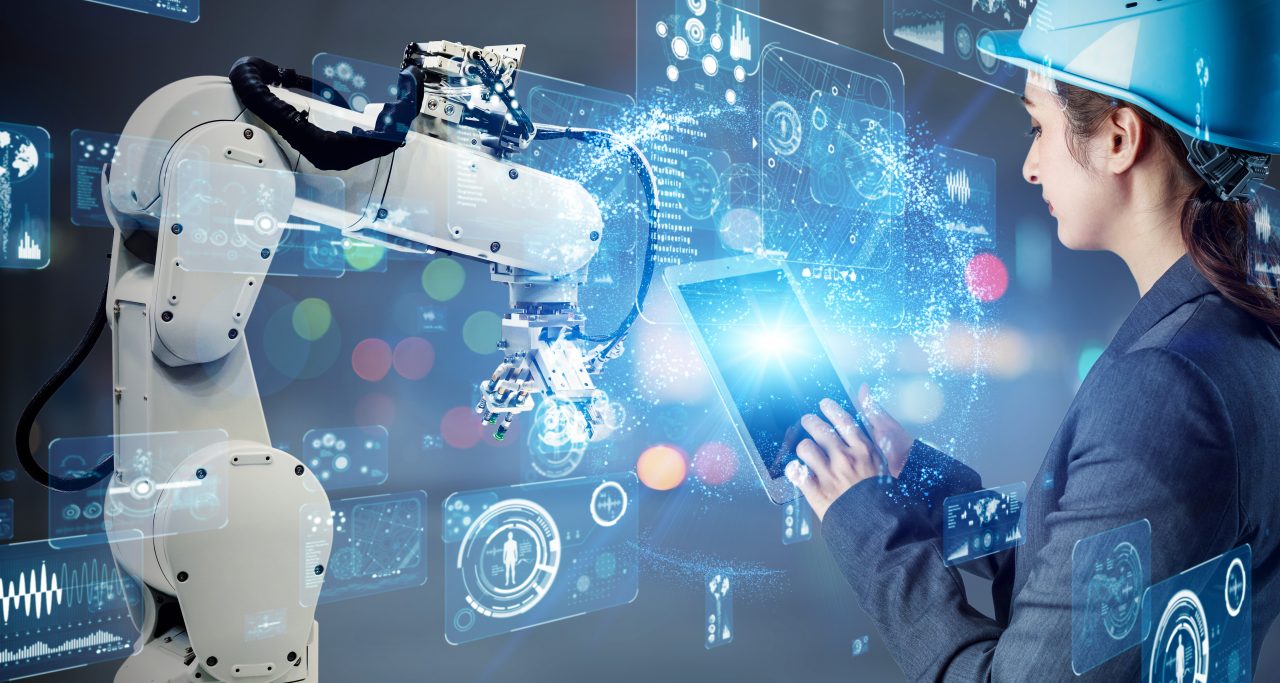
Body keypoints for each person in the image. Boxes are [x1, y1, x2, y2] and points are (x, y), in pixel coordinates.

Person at [786, 1, 1280, 680]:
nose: (1029, 164)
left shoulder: (1166, 388)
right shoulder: (1240, 335)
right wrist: (919, 480)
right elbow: (1095, 583)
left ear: (1118, 138)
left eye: (1037, 126)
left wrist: (865, 524)